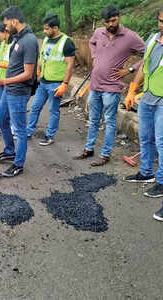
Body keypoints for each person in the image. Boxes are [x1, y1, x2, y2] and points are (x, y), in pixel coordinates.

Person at [73, 4, 144, 166]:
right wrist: (95, 56)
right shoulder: (99, 32)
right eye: (107, 22)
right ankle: (88, 148)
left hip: (112, 87)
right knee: (93, 119)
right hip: (95, 84)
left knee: (110, 121)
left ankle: (105, 154)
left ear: (119, 17)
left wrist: (130, 69)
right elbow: (91, 43)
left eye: (113, 20)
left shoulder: (131, 37)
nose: (110, 24)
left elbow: (149, 53)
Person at [123, 8, 163, 221]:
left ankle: (162, 181)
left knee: (162, 142)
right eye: (161, 21)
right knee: (145, 137)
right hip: (148, 97)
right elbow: (144, 66)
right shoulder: (153, 39)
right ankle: (146, 171)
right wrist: (132, 89)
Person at [0, 6, 38, 177]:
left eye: (7, 23)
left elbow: (28, 73)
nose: (6, 26)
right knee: (2, 120)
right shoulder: (17, 39)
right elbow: (14, 65)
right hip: (9, 89)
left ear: (14, 20)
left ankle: (18, 164)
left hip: (19, 91)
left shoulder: (30, 40)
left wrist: (4, 81)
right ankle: (10, 150)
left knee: (19, 129)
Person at [26, 13, 75, 146]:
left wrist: (65, 84)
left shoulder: (66, 42)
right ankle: (28, 132)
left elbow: (70, 64)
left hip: (56, 84)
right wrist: (38, 72)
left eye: (47, 29)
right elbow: (42, 58)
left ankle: (49, 135)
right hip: (43, 82)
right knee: (35, 107)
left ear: (55, 28)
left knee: (53, 110)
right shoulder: (46, 40)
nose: (44, 31)